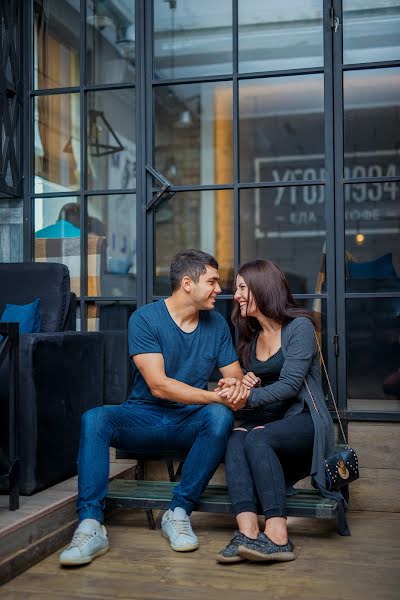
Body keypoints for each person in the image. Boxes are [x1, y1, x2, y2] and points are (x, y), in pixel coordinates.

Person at [59, 249, 248, 566]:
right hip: (142, 419)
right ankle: (91, 525)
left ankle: (177, 512)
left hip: (188, 422)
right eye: (212, 281)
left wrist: (236, 389)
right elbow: (159, 385)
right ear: (187, 283)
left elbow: (235, 379)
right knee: (95, 419)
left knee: (219, 415)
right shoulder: (145, 319)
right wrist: (217, 395)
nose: (220, 289)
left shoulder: (216, 325)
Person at [215, 259, 348, 565]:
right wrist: (245, 383)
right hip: (273, 420)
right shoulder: (252, 337)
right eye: (236, 288)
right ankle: (247, 534)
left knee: (257, 439)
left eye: (242, 288)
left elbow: (289, 386)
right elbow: (266, 387)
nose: (235, 295)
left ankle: (278, 537)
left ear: (263, 289)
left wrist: (248, 397)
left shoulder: (298, 328)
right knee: (235, 438)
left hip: (305, 420)